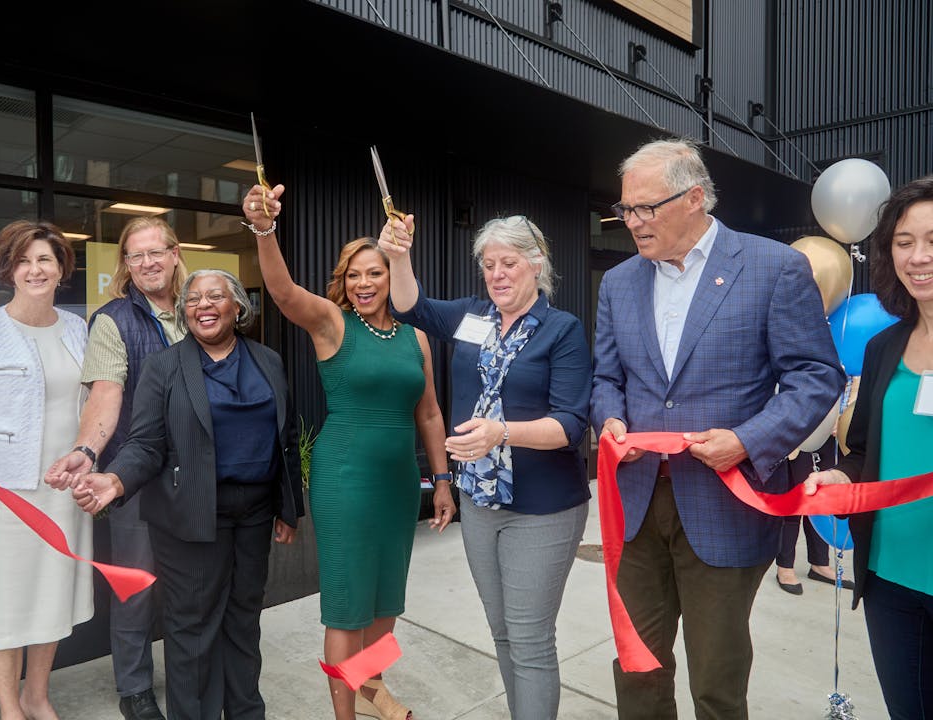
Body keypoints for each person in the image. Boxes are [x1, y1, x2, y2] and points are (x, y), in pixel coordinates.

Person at [591, 138, 845, 719]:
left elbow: (815, 376)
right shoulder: (619, 282)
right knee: (637, 671)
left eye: (645, 208)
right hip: (634, 509)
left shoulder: (773, 268)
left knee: (717, 681)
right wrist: (610, 419)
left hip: (725, 506)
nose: (631, 222)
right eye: (625, 209)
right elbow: (607, 375)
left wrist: (748, 440)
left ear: (695, 198)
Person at [241, 184, 453, 720]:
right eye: (354, 274)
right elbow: (284, 290)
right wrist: (264, 229)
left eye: (375, 272)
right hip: (345, 479)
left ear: (391, 277)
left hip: (400, 483)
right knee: (348, 603)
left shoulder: (416, 338)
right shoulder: (332, 323)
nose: (364, 283)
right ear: (343, 280)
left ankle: (374, 689)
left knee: (386, 600)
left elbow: (427, 413)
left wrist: (443, 480)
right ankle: (346, 716)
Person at [381, 211, 593, 720]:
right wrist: (398, 255)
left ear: (536, 264)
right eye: (489, 264)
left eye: (509, 263)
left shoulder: (561, 330)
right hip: (481, 502)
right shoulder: (474, 316)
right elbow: (411, 308)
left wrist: (503, 433)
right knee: (502, 631)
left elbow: (569, 425)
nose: (497, 274)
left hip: (542, 508)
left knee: (530, 638)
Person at [66, 269, 305, 720]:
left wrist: (288, 508)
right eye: (193, 299)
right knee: (192, 629)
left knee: (243, 621)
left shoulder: (267, 360)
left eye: (216, 297)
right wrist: (115, 481)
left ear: (238, 307)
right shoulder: (165, 366)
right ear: (184, 312)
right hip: (190, 518)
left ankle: (245, 712)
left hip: (254, 517)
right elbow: (145, 443)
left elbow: (285, 435)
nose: (204, 306)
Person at [0, 220, 93, 720]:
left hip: (65, 484)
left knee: (52, 594)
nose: (35, 269)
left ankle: (37, 695)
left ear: (61, 270)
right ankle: (10, 707)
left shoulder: (79, 328)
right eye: (24, 260)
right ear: (8, 268)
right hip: (6, 488)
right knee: (6, 601)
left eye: (45, 260)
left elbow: (95, 400)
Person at [45, 215, 186, 720]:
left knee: (195, 583)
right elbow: (106, 394)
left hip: (199, 475)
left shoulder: (201, 307)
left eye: (156, 251)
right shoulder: (112, 319)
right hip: (135, 473)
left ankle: (192, 674)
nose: (148, 262)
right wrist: (86, 451)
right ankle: (135, 688)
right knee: (135, 585)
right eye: (136, 255)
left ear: (174, 254)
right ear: (126, 265)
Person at [803, 175, 933, 718]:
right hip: (889, 581)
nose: (919, 256)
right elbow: (860, 452)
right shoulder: (884, 346)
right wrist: (841, 478)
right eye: (904, 242)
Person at [775, 437, 853, 595]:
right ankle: (785, 567)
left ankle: (820, 564)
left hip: (829, 438)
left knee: (820, 501)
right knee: (794, 503)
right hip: (798, 436)